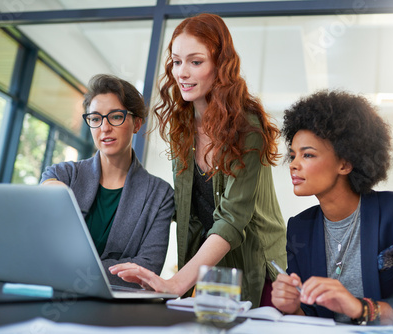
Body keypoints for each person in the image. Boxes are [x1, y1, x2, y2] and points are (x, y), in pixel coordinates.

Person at [109, 13, 287, 307]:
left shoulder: (248, 127)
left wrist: (176, 282)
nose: (182, 73)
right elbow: (186, 208)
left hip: (258, 265)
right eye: (177, 62)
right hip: (211, 267)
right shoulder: (183, 126)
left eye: (195, 61)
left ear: (221, 65)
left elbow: (231, 219)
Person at [272, 90, 393, 333]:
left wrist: (361, 309)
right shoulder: (300, 228)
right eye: (293, 155)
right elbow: (310, 317)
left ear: (345, 163)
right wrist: (291, 305)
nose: (294, 164)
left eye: (308, 154)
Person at [41, 74, 174, 287]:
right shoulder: (62, 175)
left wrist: (67, 268)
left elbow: (147, 268)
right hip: (54, 296)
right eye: (95, 118)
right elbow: (42, 249)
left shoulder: (160, 195)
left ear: (137, 123)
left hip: (117, 311)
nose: (104, 128)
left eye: (115, 117)